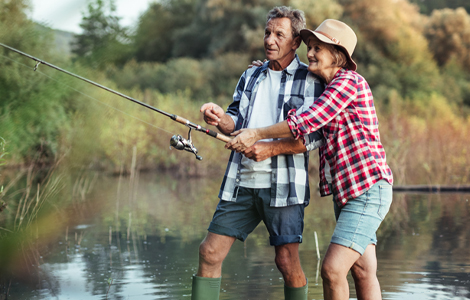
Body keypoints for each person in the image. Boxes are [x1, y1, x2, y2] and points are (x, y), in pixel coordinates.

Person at [226, 19, 394, 300]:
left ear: (337, 54)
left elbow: (306, 120)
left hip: (368, 190)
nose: (311, 53)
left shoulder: (349, 82)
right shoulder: (326, 86)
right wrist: (265, 70)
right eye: (310, 47)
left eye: (318, 48)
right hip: (348, 193)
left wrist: (256, 134)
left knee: (332, 269)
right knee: (363, 270)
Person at [191, 6, 326, 300]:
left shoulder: (310, 80)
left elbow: (313, 138)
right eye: (267, 32)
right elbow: (235, 120)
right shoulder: (251, 75)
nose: (270, 40)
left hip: (284, 188)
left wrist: (269, 149)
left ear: (295, 42)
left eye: (279, 34)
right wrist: (218, 118)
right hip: (240, 183)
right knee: (209, 252)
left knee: (286, 262)